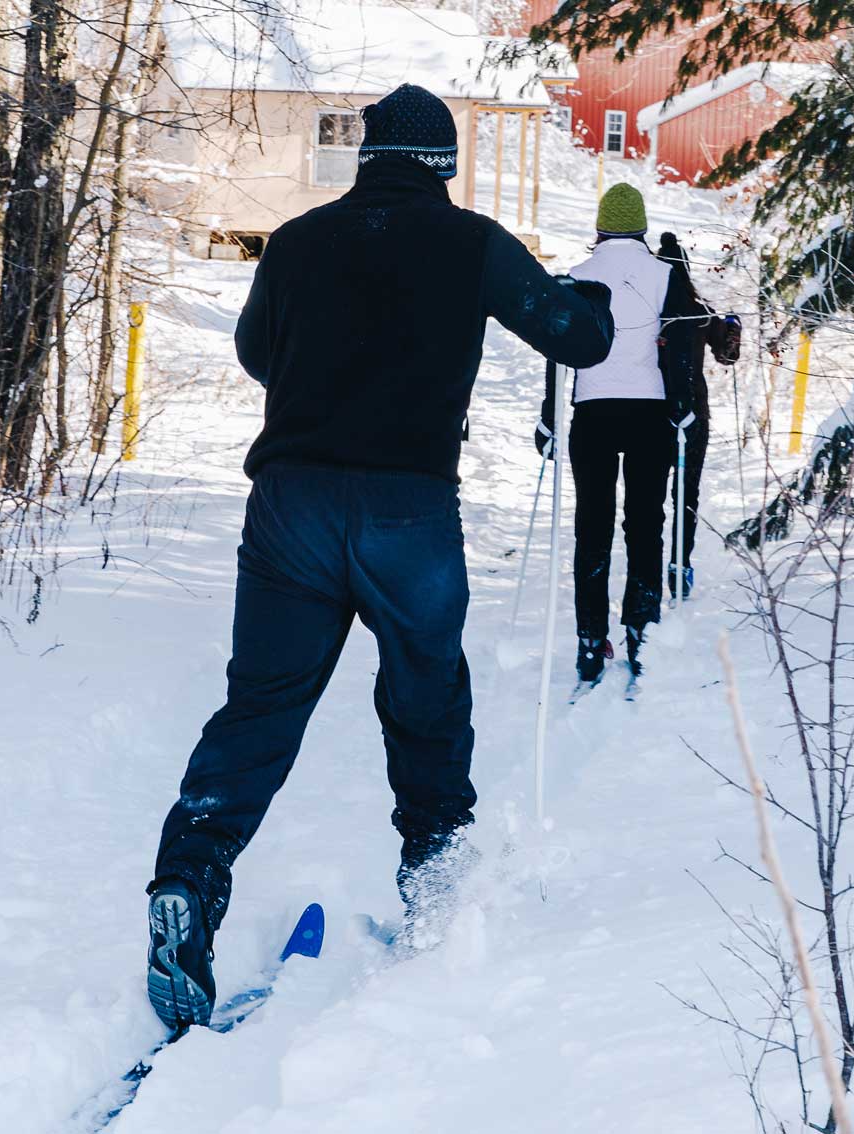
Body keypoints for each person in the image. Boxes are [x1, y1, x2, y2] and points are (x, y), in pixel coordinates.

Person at [145, 83, 614, 1030]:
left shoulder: (299, 240)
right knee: (425, 691)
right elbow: (580, 338)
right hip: (407, 510)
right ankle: (437, 882)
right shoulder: (471, 242)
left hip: (292, 507)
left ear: (368, 154)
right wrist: (592, 293)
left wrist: (326, 380)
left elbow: (252, 352)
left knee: (262, 707)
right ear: (443, 165)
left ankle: (188, 883)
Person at [534, 185, 694, 688]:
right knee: (645, 521)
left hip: (593, 411)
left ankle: (589, 637)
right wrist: (682, 407)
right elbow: (682, 347)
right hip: (649, 412)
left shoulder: (576, 279)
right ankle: (640, 630)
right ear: (642, 227)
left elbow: (556, 353)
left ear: (600, 227)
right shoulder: (667, 275)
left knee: (593, 523)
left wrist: (548, 417)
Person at [655, 231, 741, 601]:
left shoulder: (651, 309)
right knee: (686, 493)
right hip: (695, 413)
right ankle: (680, 564)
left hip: (653, 411)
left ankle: (653, 558)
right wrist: (733, 328)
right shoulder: (700, 312)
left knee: (653, 494)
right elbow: (728, 355)